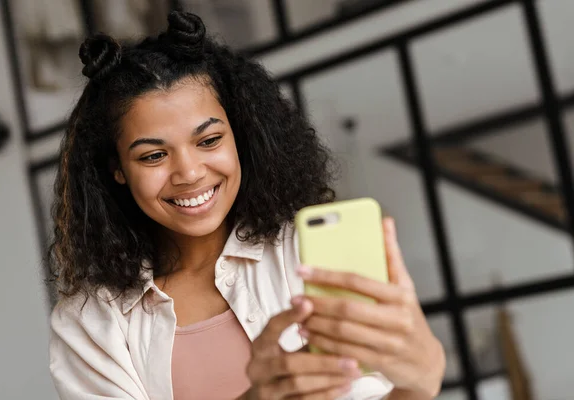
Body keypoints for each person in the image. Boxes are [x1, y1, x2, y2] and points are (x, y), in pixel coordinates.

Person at [48, 9, 445, 400]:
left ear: (240, 136)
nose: (189, 173)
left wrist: (422, 376)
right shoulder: (91, 323)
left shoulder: (307, 254)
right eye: (153, 156)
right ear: (117, 169)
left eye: (209, 141)